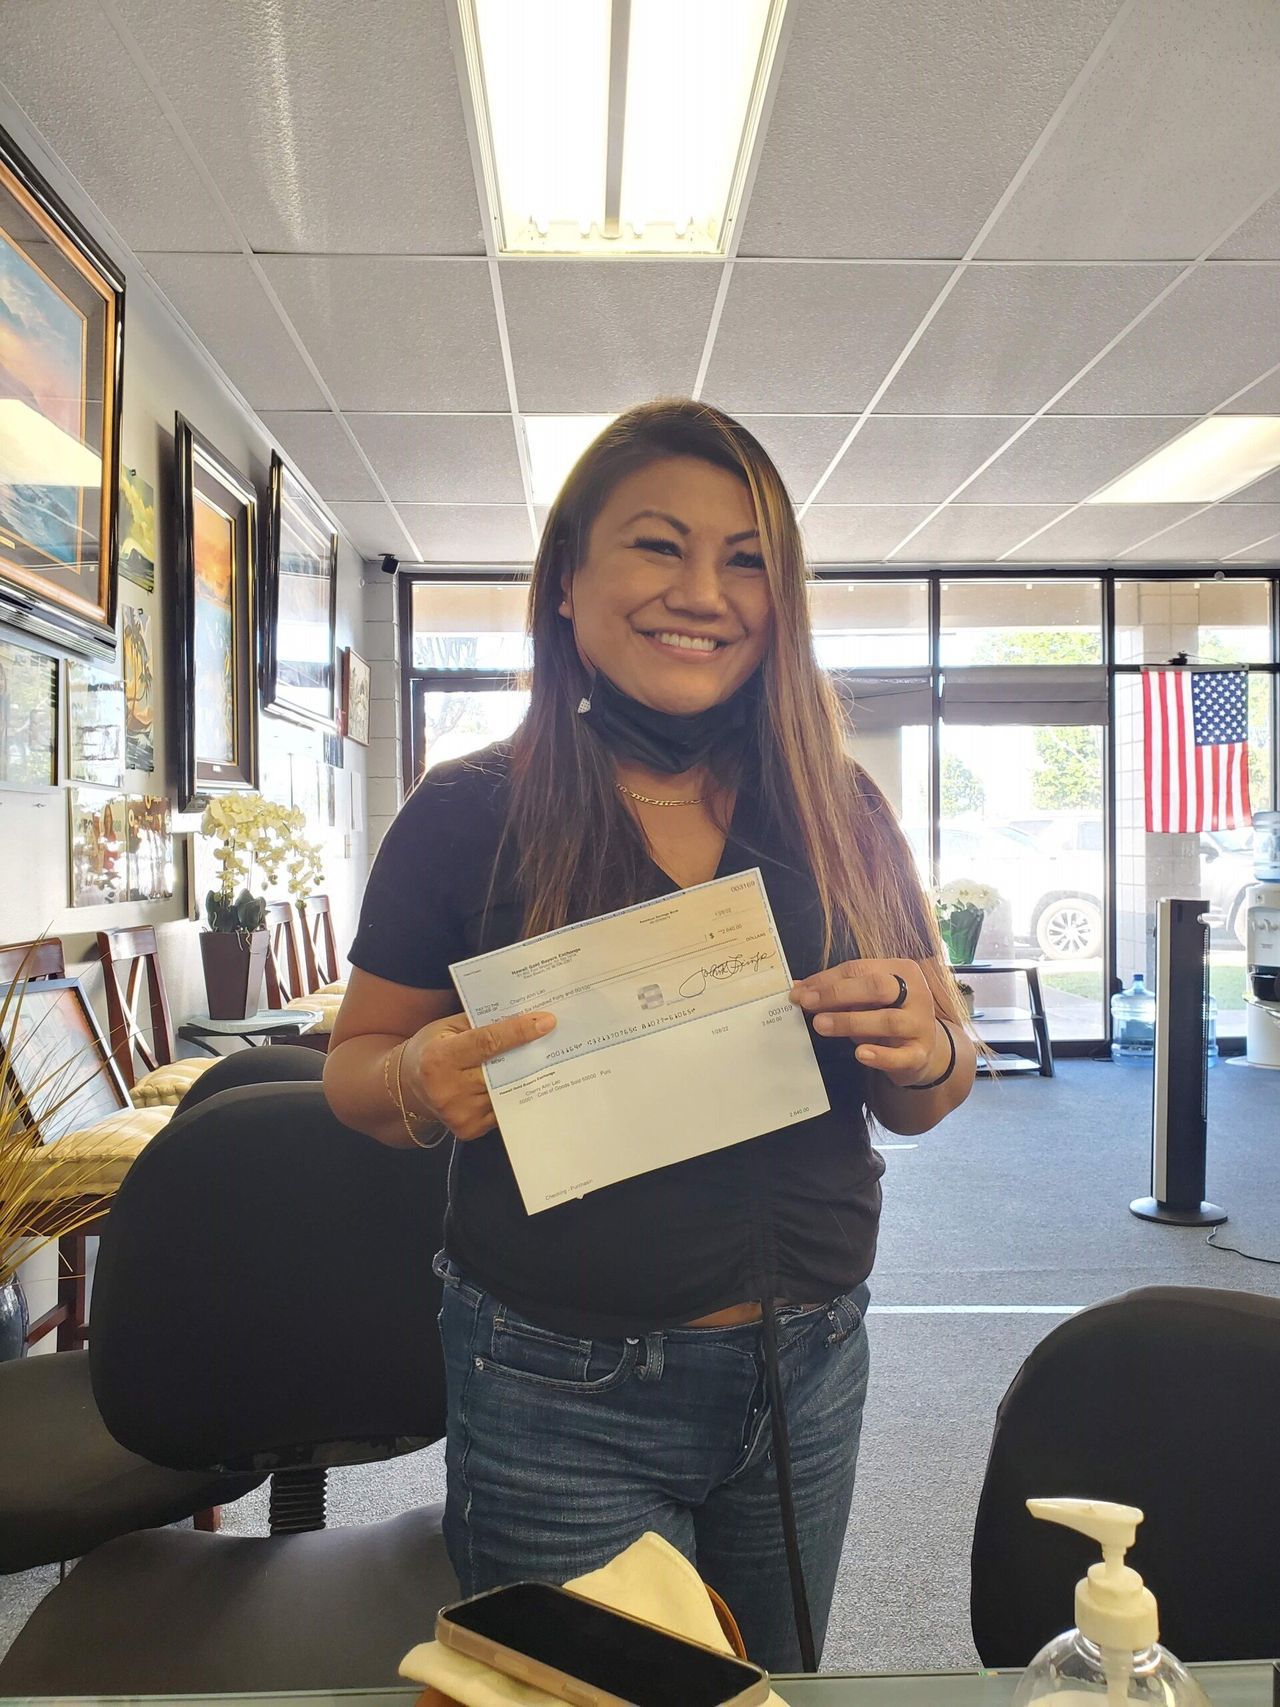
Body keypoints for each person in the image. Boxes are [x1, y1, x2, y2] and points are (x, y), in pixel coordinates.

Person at [323, 399, 976, 1672]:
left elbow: (933, 1079)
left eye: (745, 559)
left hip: (808, 1363)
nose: (703, 591)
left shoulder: (838, 807)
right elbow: (354, 1073)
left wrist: (925, 1047)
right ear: (567, 581)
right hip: (555, 1377)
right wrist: (416, 1078)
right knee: (589, 1702)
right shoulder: (468, 812)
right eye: (656, 546)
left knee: (761, 1692)